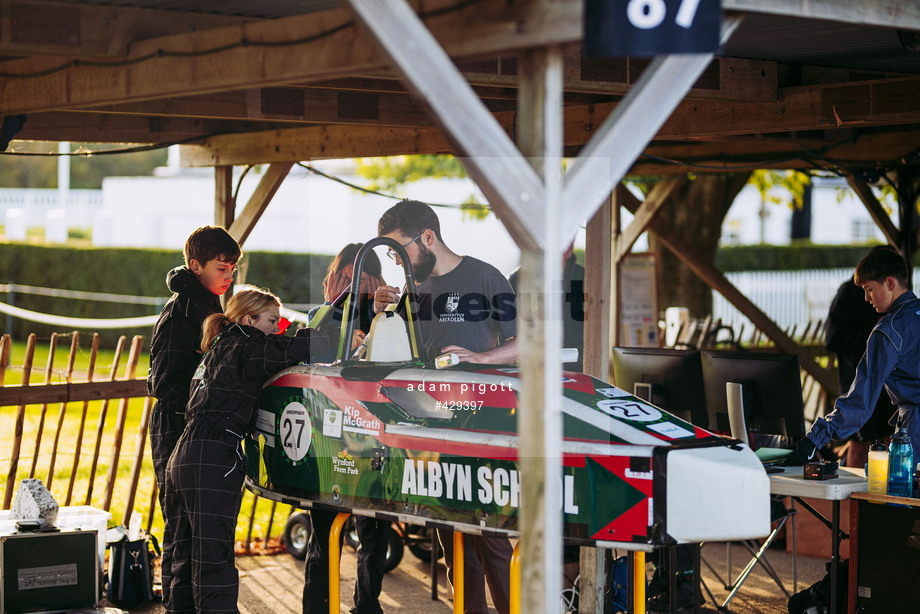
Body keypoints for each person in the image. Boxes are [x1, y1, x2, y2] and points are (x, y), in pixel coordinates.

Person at [163, 288, 359, 614]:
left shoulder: (217, 348)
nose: (277, 327)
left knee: (184, 558)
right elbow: (293, 347)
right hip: (213, 458)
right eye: (271, 320)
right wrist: (340, 336)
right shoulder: (246, 344)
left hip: (181, 458)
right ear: (248, 319)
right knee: (214, 561)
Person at [373, 199, 516, 614]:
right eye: (390, 254)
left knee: (491, 539)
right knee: (453, 543)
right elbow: (385, 353)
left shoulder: (485, 277)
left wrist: (483, 360)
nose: (397, 262)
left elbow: (528, 342)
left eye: (401, 250)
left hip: (481, 428)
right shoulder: (412, 292)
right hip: (430, 430)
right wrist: (381, 314)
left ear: (428, 237)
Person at [147, 225, 241, 604]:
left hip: (197, 429)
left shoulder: (209, 304)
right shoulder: (181, 313)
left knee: (197, 534)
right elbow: (163, 382)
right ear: (195, 264)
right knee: (181, 532)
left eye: (233, 269)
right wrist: (200, 409)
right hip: (175, 428)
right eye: (222, 268)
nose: (229, 276)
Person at [303, 243, 389, 614]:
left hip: (372, 433)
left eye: (359, 278)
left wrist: (380, 314)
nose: (350, 286)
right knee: (323, 534)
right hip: (329, 432)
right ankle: (318, 607)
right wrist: (341, 332)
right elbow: (313, 357)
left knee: (375, 531)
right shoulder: (321, 314)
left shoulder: (387, 312)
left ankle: (366, 606)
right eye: (342, 276)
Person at [787, 245, 920, 466]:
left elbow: (860, 402)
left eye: (869, 289)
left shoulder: (887, 332)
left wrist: (814, 441)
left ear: (889, 283)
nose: (867, 298)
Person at [824, 277, 894, 467]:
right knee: (860, 441)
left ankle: (890, 493)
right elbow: (832, 339)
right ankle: (852, 496)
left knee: (893, 439)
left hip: (887, 383)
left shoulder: (900, 307)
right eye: (866, 290)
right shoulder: (848, 294)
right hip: (857, 379)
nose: (867, 298)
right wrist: (871, 334)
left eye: (870, 291)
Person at [508, 241, 585, 372]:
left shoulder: (585, 277)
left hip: (576, 367)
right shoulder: (516, 279)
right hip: (530, 368)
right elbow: (507, 329)